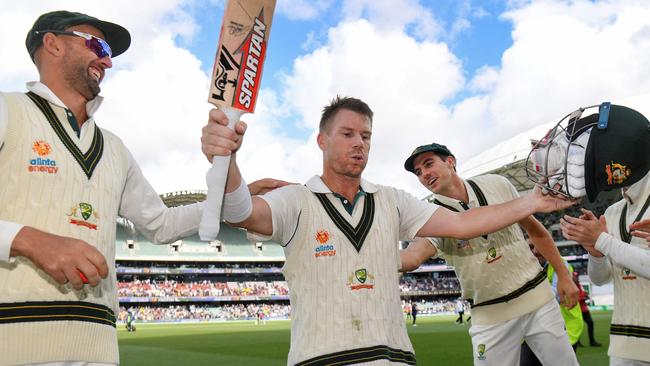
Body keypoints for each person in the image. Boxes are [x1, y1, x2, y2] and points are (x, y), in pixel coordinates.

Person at [200, 95, 576, 365]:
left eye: (365, 135)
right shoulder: (295, 199)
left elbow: (461, 224)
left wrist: (532, 202)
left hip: (394, 355)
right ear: (322, 141)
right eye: (347, 134)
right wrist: (226, 157)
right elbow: (241, 213)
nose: (359, 143)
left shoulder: (394, 200)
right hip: (321, 358)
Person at [0, 11, 206, 365]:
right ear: (52, 44)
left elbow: (161, 224)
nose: (107, 60)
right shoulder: (8, 110)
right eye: (97, 45)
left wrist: (235, 200)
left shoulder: (115, 147)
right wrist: (28, 240)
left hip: (99, 348)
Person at [400, 143, 579, 365]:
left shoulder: (497, 184)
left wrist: (563, 274)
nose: (424, 174)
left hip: (538, 299)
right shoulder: (430, 216)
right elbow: (414, 255)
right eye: (418, 172)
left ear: (450, 162)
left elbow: (535, 230)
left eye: (428, 164)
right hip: (489, 315)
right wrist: (376, 257)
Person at [557, 103, 650, 365]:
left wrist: (601, 240)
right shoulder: (612, 212)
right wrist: (595, 252)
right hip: (622, 344)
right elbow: (600, 279)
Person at [576, 272, 601, 347]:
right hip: (577, 310)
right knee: (578, 326)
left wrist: (585, 295)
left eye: (577, 277)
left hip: (584, 309)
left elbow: (581, 295)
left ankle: (592, 341)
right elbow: (575, 298)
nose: (577, 278)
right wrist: (583, 296)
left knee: (590, 323)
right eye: (575, 277)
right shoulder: (573, 285)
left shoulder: (579, 285)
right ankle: (577, 342)